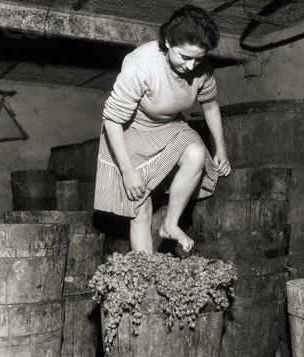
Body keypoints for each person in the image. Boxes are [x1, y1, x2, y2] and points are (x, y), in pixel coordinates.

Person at [94, 4, 231, 253]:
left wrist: (220, 149)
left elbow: (210, 105)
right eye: (185, 57)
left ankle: (170, 224)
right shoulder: (141, 64)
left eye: (198, 59)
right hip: (129, 131)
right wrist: (127, 171)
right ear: (168, 42)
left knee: (197, 154)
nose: (191, 66)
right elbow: (112, 119)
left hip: (168, 126)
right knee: (140, 209)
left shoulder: (202, 69)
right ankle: (145, 281)